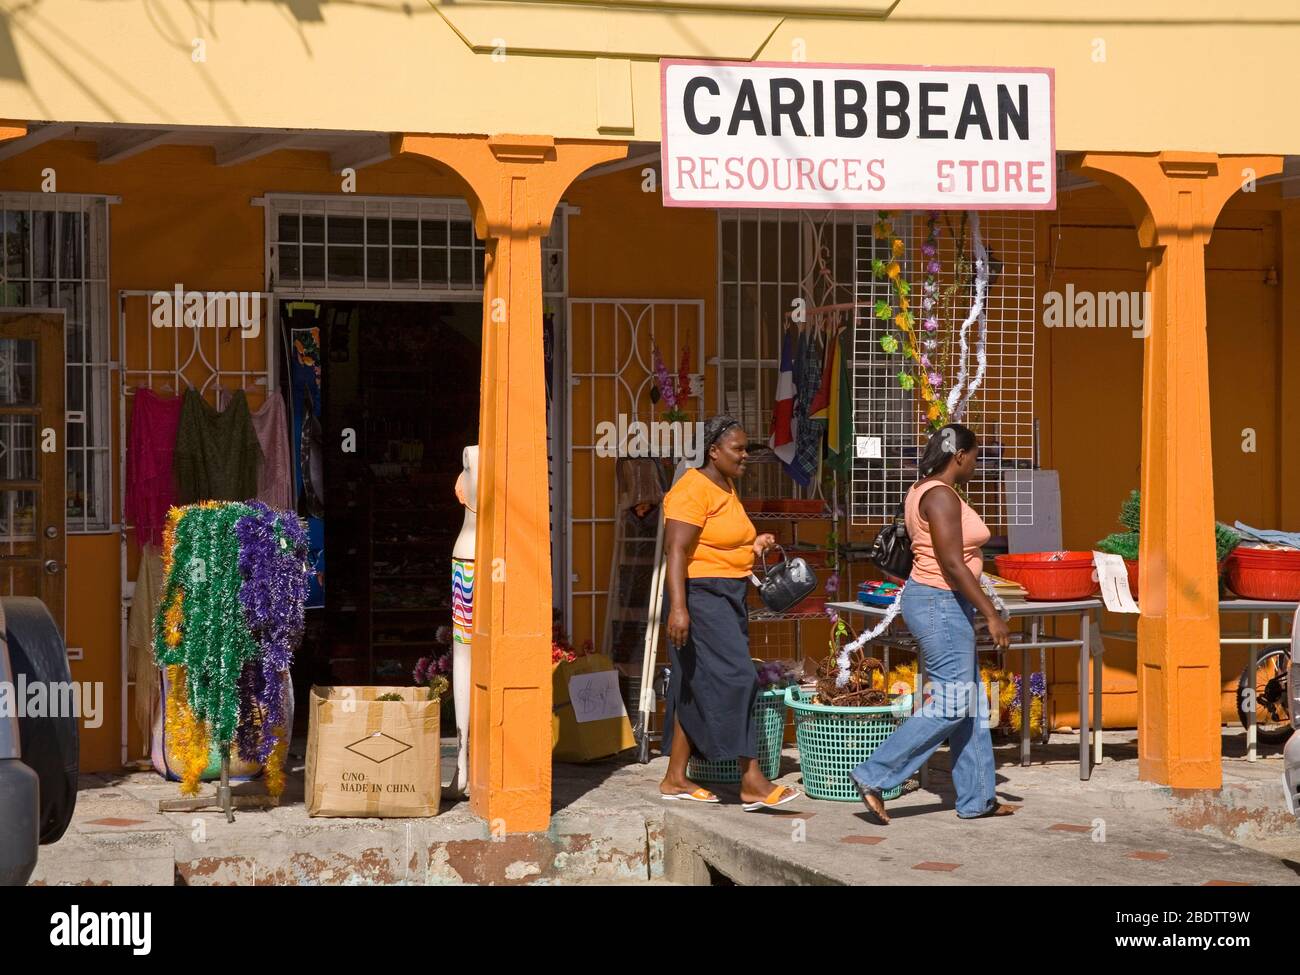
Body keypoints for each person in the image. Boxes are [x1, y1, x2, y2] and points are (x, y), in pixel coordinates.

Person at [851, 423, 1017, 823]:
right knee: (953, 702)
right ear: (959, 455)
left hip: (944, 602)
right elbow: (953, 564)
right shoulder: (940, 496)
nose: (976, 464)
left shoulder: (925, 489)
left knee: (970, 701)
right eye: (975, 456)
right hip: (939, 602)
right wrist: (992, 614)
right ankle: (874, 775)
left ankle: (978, 799)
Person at [658, 415, 802, 812]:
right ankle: (751, 779)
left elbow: (719, 541)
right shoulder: (692, 488)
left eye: (746, 448)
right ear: (713, 451)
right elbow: (676, 551)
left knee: (693, 682)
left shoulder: (725, 485)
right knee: (739, 678)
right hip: (701, 597)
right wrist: (680, 610)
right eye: (738, 449)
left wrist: (754, 545)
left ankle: (674, 777)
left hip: (727, 594)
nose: (746, 456)